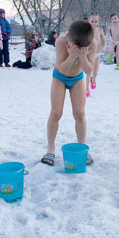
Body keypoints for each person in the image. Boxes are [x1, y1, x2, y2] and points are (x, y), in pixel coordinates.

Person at [41, 19, 96, 167]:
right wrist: (72, 56)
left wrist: (83, 57)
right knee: (56, 113)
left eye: (82, 47)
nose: (78, 49)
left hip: (77, 78)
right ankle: (50, 149)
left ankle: (82, 148)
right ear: (69, 39)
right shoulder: (60, 41)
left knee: (80, 114)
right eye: (75, 46)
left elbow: (89, 70)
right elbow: (63, 68)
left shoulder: (92, 43)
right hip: (60, 77)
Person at [87, 13, 107, 95]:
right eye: (92, 21)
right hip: (89, 53)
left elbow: (104, 41)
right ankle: (86, 89)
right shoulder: (87, 31)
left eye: (96, 21)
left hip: (98, 53)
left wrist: (104, 48)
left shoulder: (100, 31)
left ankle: (93, 79)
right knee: (89, 71)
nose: (94, 23)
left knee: (95, 72)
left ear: (98, 22)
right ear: (89, 21)